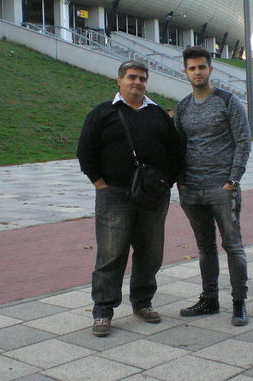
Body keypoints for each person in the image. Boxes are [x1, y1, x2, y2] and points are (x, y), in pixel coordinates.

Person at [77, 60, 182, 337]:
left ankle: (143, 302)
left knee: (150, 252)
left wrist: (165, 184)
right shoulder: (103, 113)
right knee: (111, 254)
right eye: (132, 77)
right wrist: (100, 184)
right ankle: (103, 311)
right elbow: (86, 151)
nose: (138, 82)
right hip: (114, 195)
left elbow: (176, 153)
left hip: (153, 197)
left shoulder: (158, 114)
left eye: (143, 78)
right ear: (119, 80)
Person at [174, 46, 251, 327]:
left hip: (222, 188)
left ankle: (239, 303)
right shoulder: (182, 107)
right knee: (205, 247)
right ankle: (209, 299)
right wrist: (181, 183)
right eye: (192, 68)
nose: (197, 72)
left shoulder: (228, 102)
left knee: (233, 246)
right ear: (186, 72)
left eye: (202, 67)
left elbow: (243, 141)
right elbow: (179, 146)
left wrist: (233, 180)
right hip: (191, 190)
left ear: (210, 70)